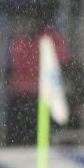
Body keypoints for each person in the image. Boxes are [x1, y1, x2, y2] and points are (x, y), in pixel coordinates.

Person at [7, 10, 71, 145]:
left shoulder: (53, 39)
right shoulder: (20, 41)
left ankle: (46, 141)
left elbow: (60, 66)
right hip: (23, 96)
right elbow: (17, 68)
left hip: (46, 95)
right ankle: (19, 143)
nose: (32, 24)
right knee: (21, 113)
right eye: (30, 20)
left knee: (37, 111)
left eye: (36, 19)